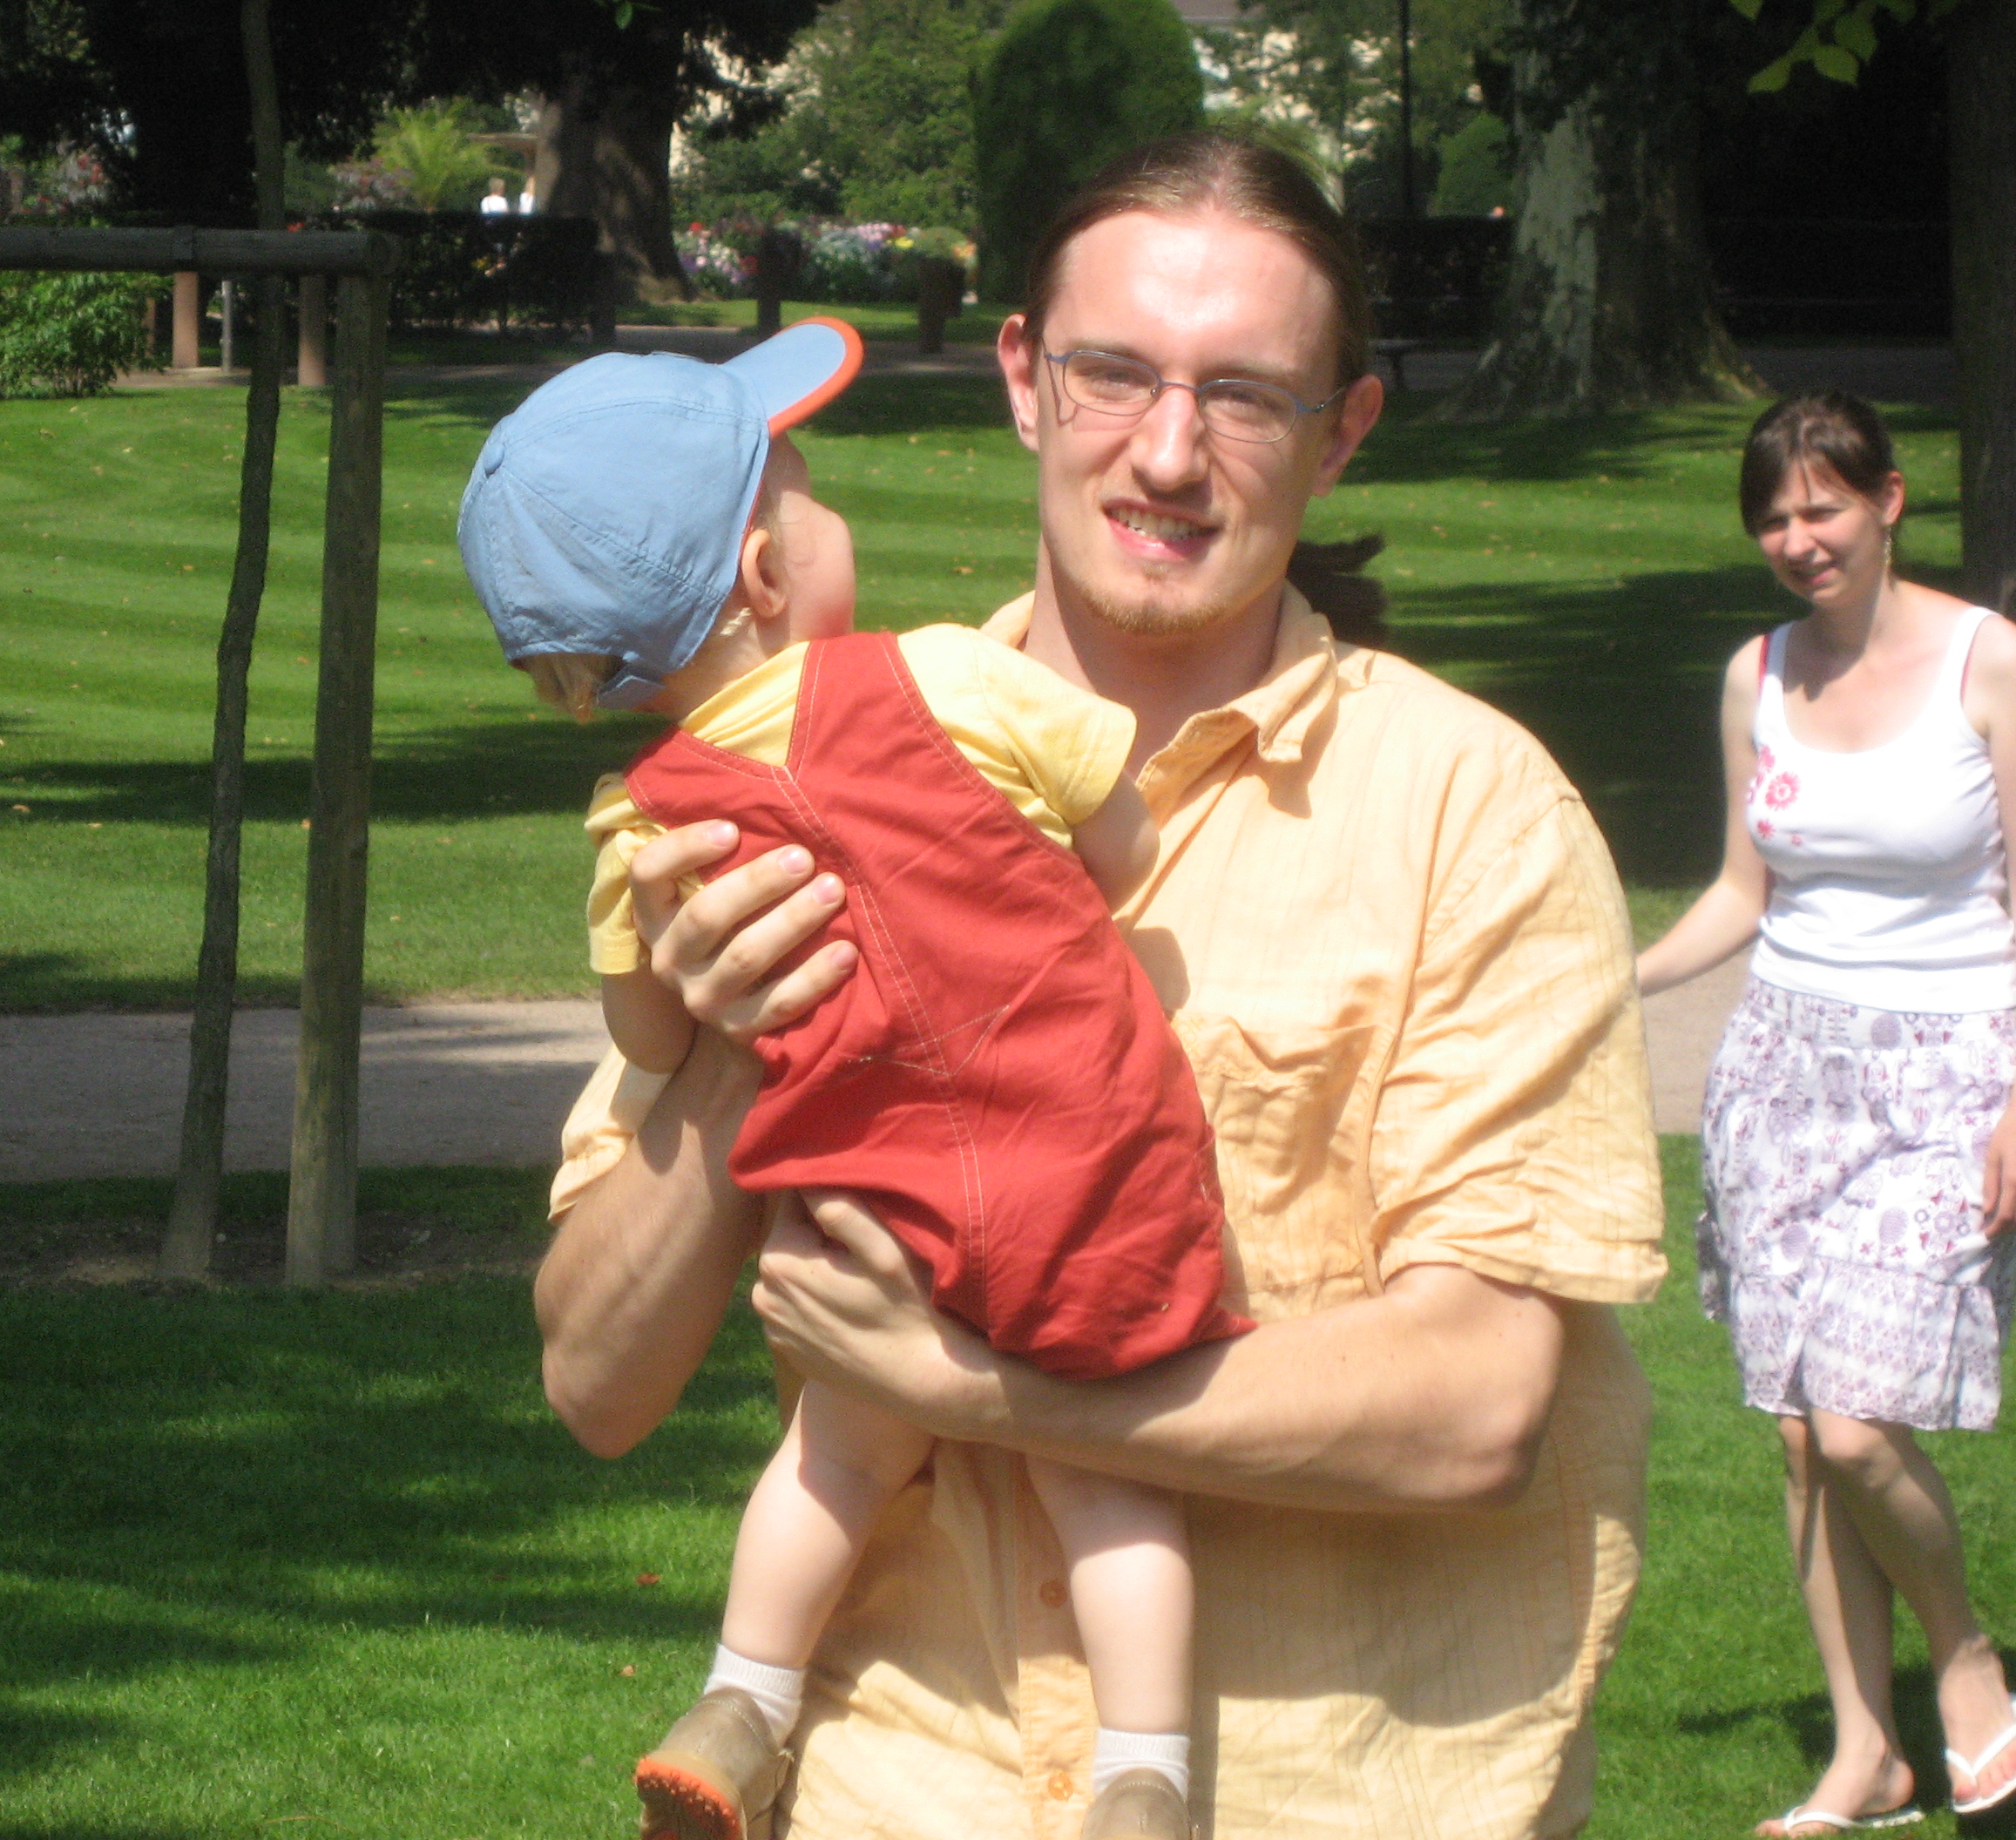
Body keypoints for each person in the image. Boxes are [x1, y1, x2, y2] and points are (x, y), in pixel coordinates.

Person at [538, 130, 1666, 1840]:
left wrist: (978, 1392)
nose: (1167, 452)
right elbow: (595, 1383)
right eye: (1114, 374)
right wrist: (737, 1051)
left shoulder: (1472, 814)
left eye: (1245, 396)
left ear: (1343, 430)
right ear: (1023, 378)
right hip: (897, 1795)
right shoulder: (772, 796)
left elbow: (1477, 1407)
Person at [458, 317, 1248, 1840]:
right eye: (805, 490)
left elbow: (650, 1039)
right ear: (767, 572)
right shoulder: (950, 677)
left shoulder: (643, 828)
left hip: (869, 1201)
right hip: (1085, 1173)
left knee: (835, 1447)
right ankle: (1147, 1774)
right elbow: (1122, 841)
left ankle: (743, 1700)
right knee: (1112, 1477)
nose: (830, 507)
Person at [1635, 391, 2016, 1838]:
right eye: (1774, 519)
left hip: (1953, 1075)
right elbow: (1744, 890)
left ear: (1889, 501)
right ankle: (1867, 1755)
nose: (1799, 540)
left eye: (1824, 507)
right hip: (1782, 1079)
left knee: (1857, 1427)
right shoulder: (1758, 673)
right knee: (1799, 1434)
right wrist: (1613, 980)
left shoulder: (1989, 662)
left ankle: (1964, 1660)